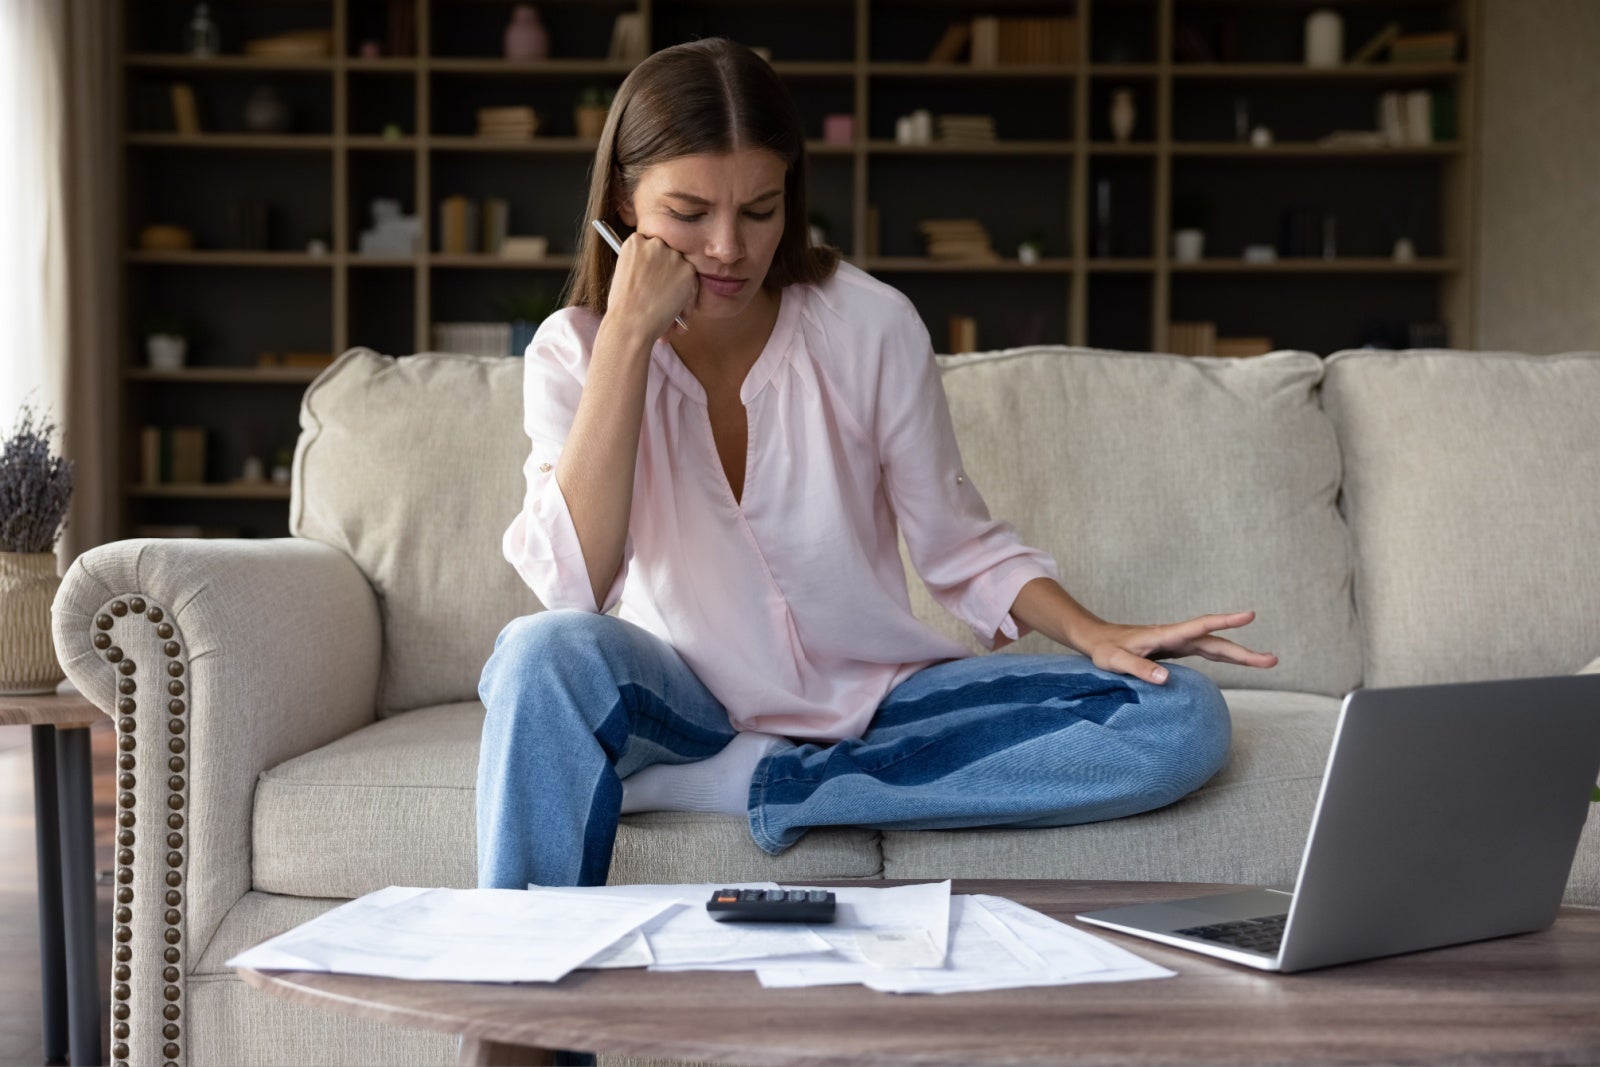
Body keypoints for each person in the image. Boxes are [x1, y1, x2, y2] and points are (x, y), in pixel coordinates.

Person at [478, 37, 1278, 892]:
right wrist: (628, 340)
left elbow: (959, 545)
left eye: (759, 209)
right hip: (683, 703)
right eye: (686, 213)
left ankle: (767, 781)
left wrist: (1094, 631)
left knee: (1179, 717)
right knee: (537, 658)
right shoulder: (576, 354)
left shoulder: (871, 324)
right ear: (623, 204)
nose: (727, 248)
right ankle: (518, 996)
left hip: (873, 700)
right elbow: (574, 587)